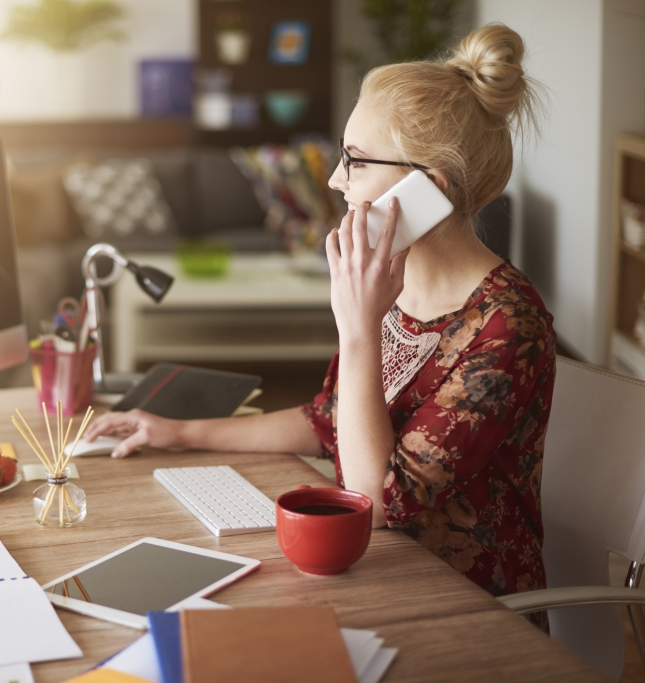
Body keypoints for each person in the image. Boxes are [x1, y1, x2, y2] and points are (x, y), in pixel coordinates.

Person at [84, 23, 554, 615]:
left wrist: (358, 329)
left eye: (355, 161)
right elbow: (329, 420)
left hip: (463, 608)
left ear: (427, 188)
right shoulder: (391, 282)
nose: (335, 179)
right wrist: (178, 433)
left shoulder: (510, 325)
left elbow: (374, 500)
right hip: (371, 575)